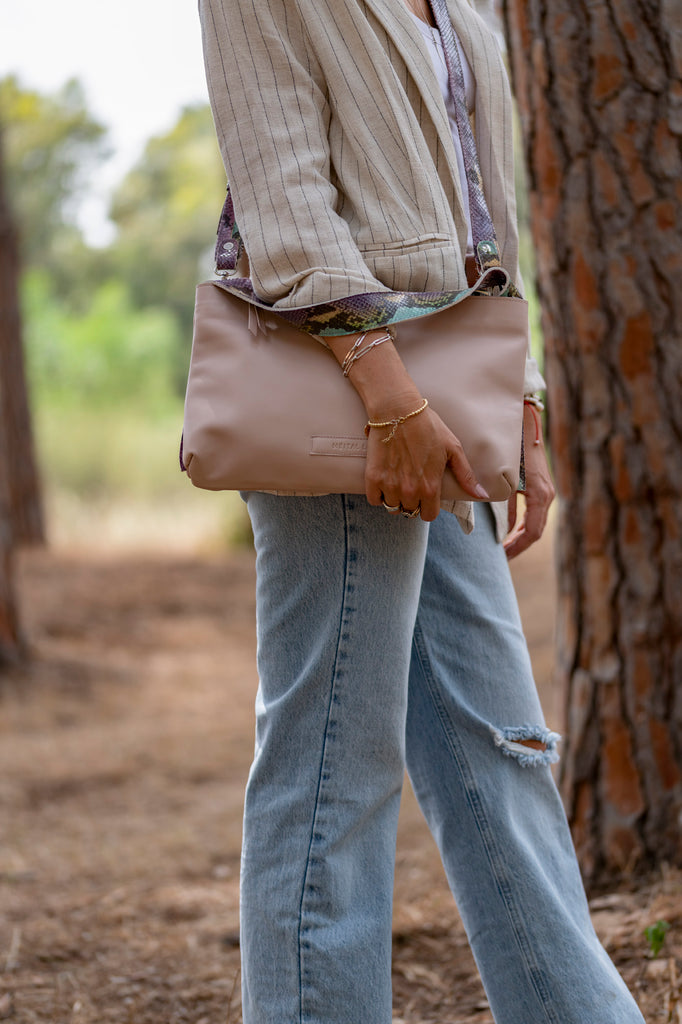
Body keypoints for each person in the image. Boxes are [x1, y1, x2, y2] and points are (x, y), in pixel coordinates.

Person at [198, 1, 646, 1021]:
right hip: (356, 397)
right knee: (330, 767)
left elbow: (483, 200)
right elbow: (283, 197)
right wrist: (387, 391)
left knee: (502, 750)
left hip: (448, 389)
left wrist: (515, 394)